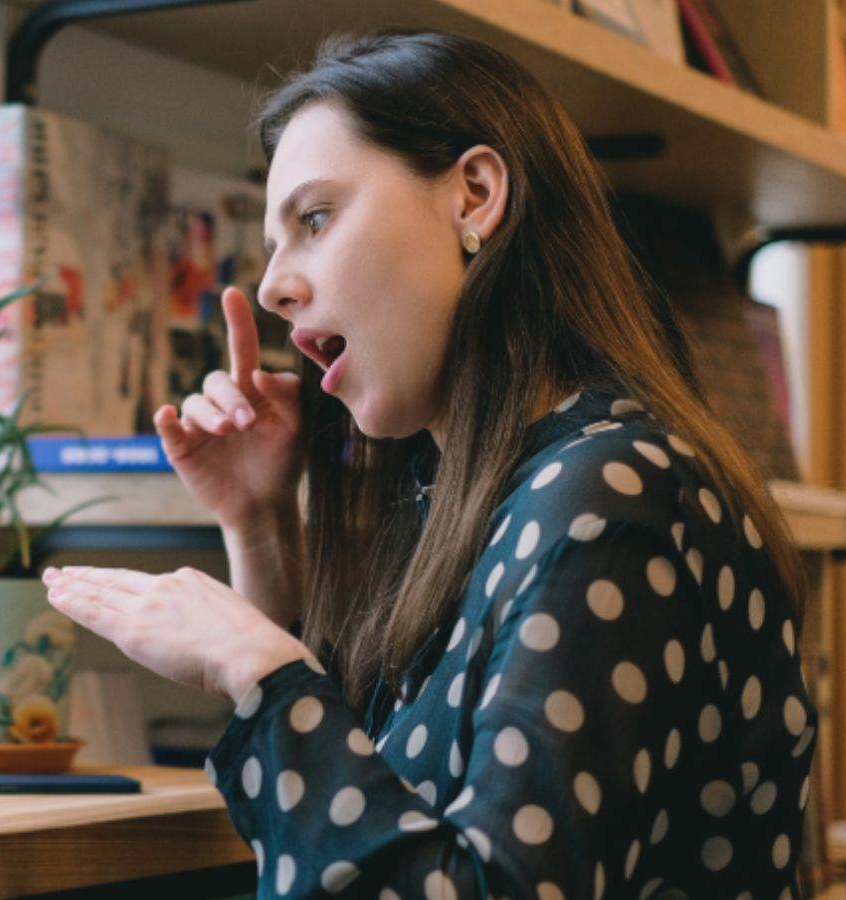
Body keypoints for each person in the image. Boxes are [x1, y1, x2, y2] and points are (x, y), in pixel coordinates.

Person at [41, 27, 815, 898]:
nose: (273, 286)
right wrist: (257, 525)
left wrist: (252, 666)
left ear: (475, 195)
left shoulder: (610, 496)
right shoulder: (467, 496)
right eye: (274, 243)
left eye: (316, 218)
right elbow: (370, 817)